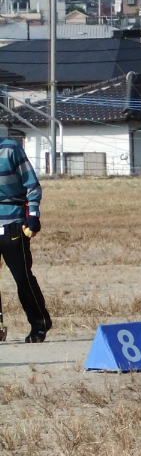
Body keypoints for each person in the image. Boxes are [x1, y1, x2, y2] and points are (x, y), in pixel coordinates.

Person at [0, 132, 51, 342]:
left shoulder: (11, 149)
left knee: (22, 277)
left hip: (13, 221)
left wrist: (33, 216)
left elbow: (32, 186)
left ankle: (40, 322)